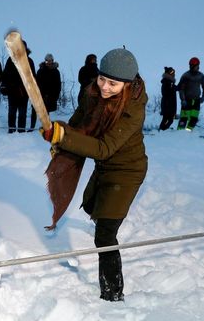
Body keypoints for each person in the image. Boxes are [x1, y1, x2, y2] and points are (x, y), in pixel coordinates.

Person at [40, 48, 148, 302]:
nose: (105, 87)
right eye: (102, 79)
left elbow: (103, 148)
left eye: (113, 83)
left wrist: (65, 138)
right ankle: (105, 218)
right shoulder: (92, 93)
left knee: (105, 235)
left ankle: (113, 295)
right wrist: (59, 135)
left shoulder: (133, 108)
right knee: (94, 209)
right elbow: (78, 125)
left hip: (127, 171)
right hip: (104, 167)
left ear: (127, 84)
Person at [1, 40, 36, 133]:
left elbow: (33, 77)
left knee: (22, 112)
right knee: (12, 111)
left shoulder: (30, 61)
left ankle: (21, 130)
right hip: (12, 90)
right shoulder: (10, 59)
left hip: (24, 92)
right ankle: (11, 129)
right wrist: (3, 85)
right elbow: (5, 74)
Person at [30, 53, 61, 129]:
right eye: (47, 61)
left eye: (50, 61)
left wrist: (55, 96)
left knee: (46, 112)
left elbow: (58, 85)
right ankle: (32, 127)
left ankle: (46, 127)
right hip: (39, 94)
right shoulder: (41, 70)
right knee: (34, 110)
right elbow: (36, 82)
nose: (49, 62)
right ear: (45, 61)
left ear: (52, 61)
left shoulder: (56, 72)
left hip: (50, 95)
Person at [177, 57, 204, 131]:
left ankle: (188, 132)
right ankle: (179, 133)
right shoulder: (186, 76)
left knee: (194, 119)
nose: (197, 67)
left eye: (197, 66)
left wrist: (203, 97)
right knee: (184, 118)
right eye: (194, 66)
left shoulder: (201, 75)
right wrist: (183, 99)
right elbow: (181, 89)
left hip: (197, 101)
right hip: (186, 101)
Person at [159, 66, 177, 131]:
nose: (174, 74)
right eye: (172, 72)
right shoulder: (167, 82)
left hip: (169, 104)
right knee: (167, 119)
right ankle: (162, 130)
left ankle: (163, 130)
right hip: (167, 105)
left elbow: (177, 88)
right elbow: (166, 93)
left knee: (168, 119)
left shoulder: (170, 83)